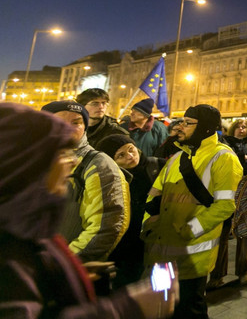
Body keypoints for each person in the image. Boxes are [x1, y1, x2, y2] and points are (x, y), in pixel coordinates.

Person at [0, 103, 178, 318]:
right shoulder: (10, 249)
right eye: (60, 153)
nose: (72, 160)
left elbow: (107, 224)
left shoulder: (24, 219)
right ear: (29, 161)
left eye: (77, 122)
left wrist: (68, 267)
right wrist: (127, 308)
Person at [142, 104, 243, 319]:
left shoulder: (224, 157)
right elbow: (154, 195)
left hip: (192, 256)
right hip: (159, 251)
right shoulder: (177, 157)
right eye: (182, 122)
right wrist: (147, 223)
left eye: (188, 123)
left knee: (189, 310)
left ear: (205, 128)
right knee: (164, 308)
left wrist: (190, 230)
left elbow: (225, 205)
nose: (181, 127)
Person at [42, 100, 130, 264]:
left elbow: (106, 227)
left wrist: (65, 265)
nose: (69, 128)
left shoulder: (97, 164)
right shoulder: (32, 160)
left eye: (77, 122)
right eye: (60, 122)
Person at [96, 134, 164, 287]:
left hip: (157, 242)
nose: (130, 156)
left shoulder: (158, 166)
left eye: (131, 149)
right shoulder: (107, 180)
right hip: (127, 248)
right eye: (121, 155)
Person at [207, 119, 247, 289]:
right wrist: (242, 158)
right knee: (221, 234)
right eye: (238, 126)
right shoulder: (224, 142)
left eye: (245, 127)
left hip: (246, 192)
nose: (241, 129)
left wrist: (239, 160)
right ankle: (217, 275)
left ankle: (244, 271)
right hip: (226, 191)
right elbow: (221, 162)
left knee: (244, 233)